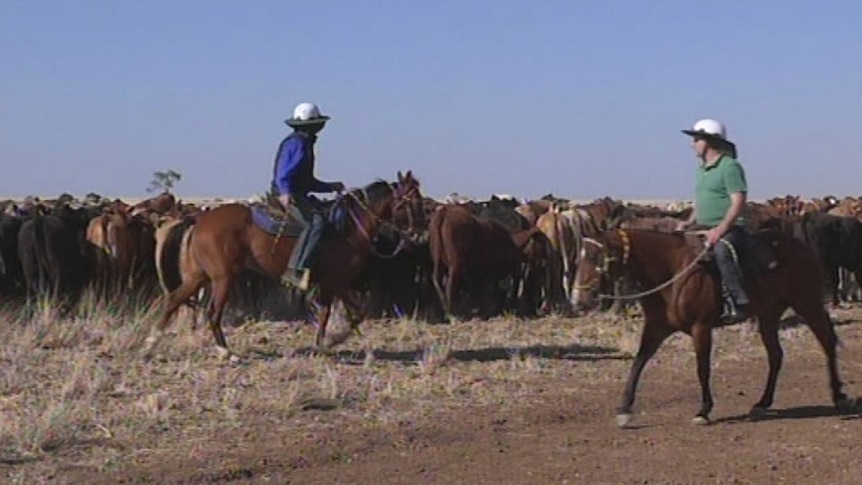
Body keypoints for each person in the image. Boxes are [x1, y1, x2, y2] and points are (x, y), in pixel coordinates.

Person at [675, 118, 750, 323]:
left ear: (708, 141)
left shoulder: (730, 167)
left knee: (721, 251)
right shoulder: (702, 169)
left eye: (696, 139)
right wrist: (688, 223)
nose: (693, 144)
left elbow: (738, 202)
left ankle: (737, 302)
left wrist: (721, 229)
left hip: (731, 228)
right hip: (703, 227)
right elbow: (701, 202)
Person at [270, 102, 345, 291]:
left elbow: (308, 181)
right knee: (315, 223)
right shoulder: (298, 143)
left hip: (295, 191)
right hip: (289, 193)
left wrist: (330, 187)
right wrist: (285, 191)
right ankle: (295, 269)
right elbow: (284, 172)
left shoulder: (304, 142)